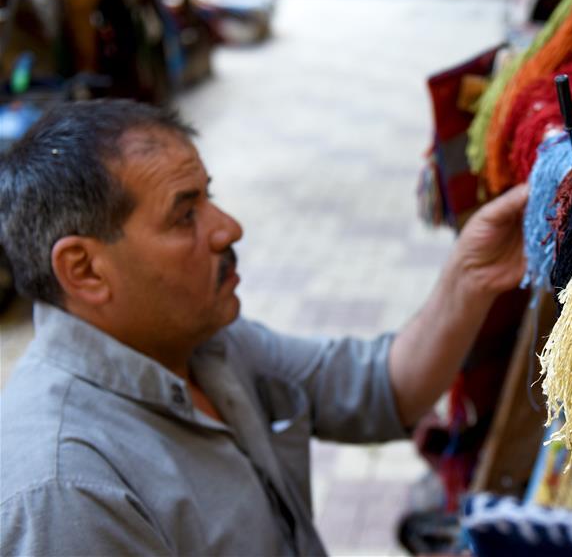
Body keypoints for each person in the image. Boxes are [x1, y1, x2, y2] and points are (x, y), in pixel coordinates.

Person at [0, 100, 528, 556]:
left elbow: (381, 389)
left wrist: (470, 277)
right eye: (185, 216)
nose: (228, 227)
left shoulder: (206, 344)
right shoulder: (65, 490)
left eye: (208, 196)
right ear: (85, 270)